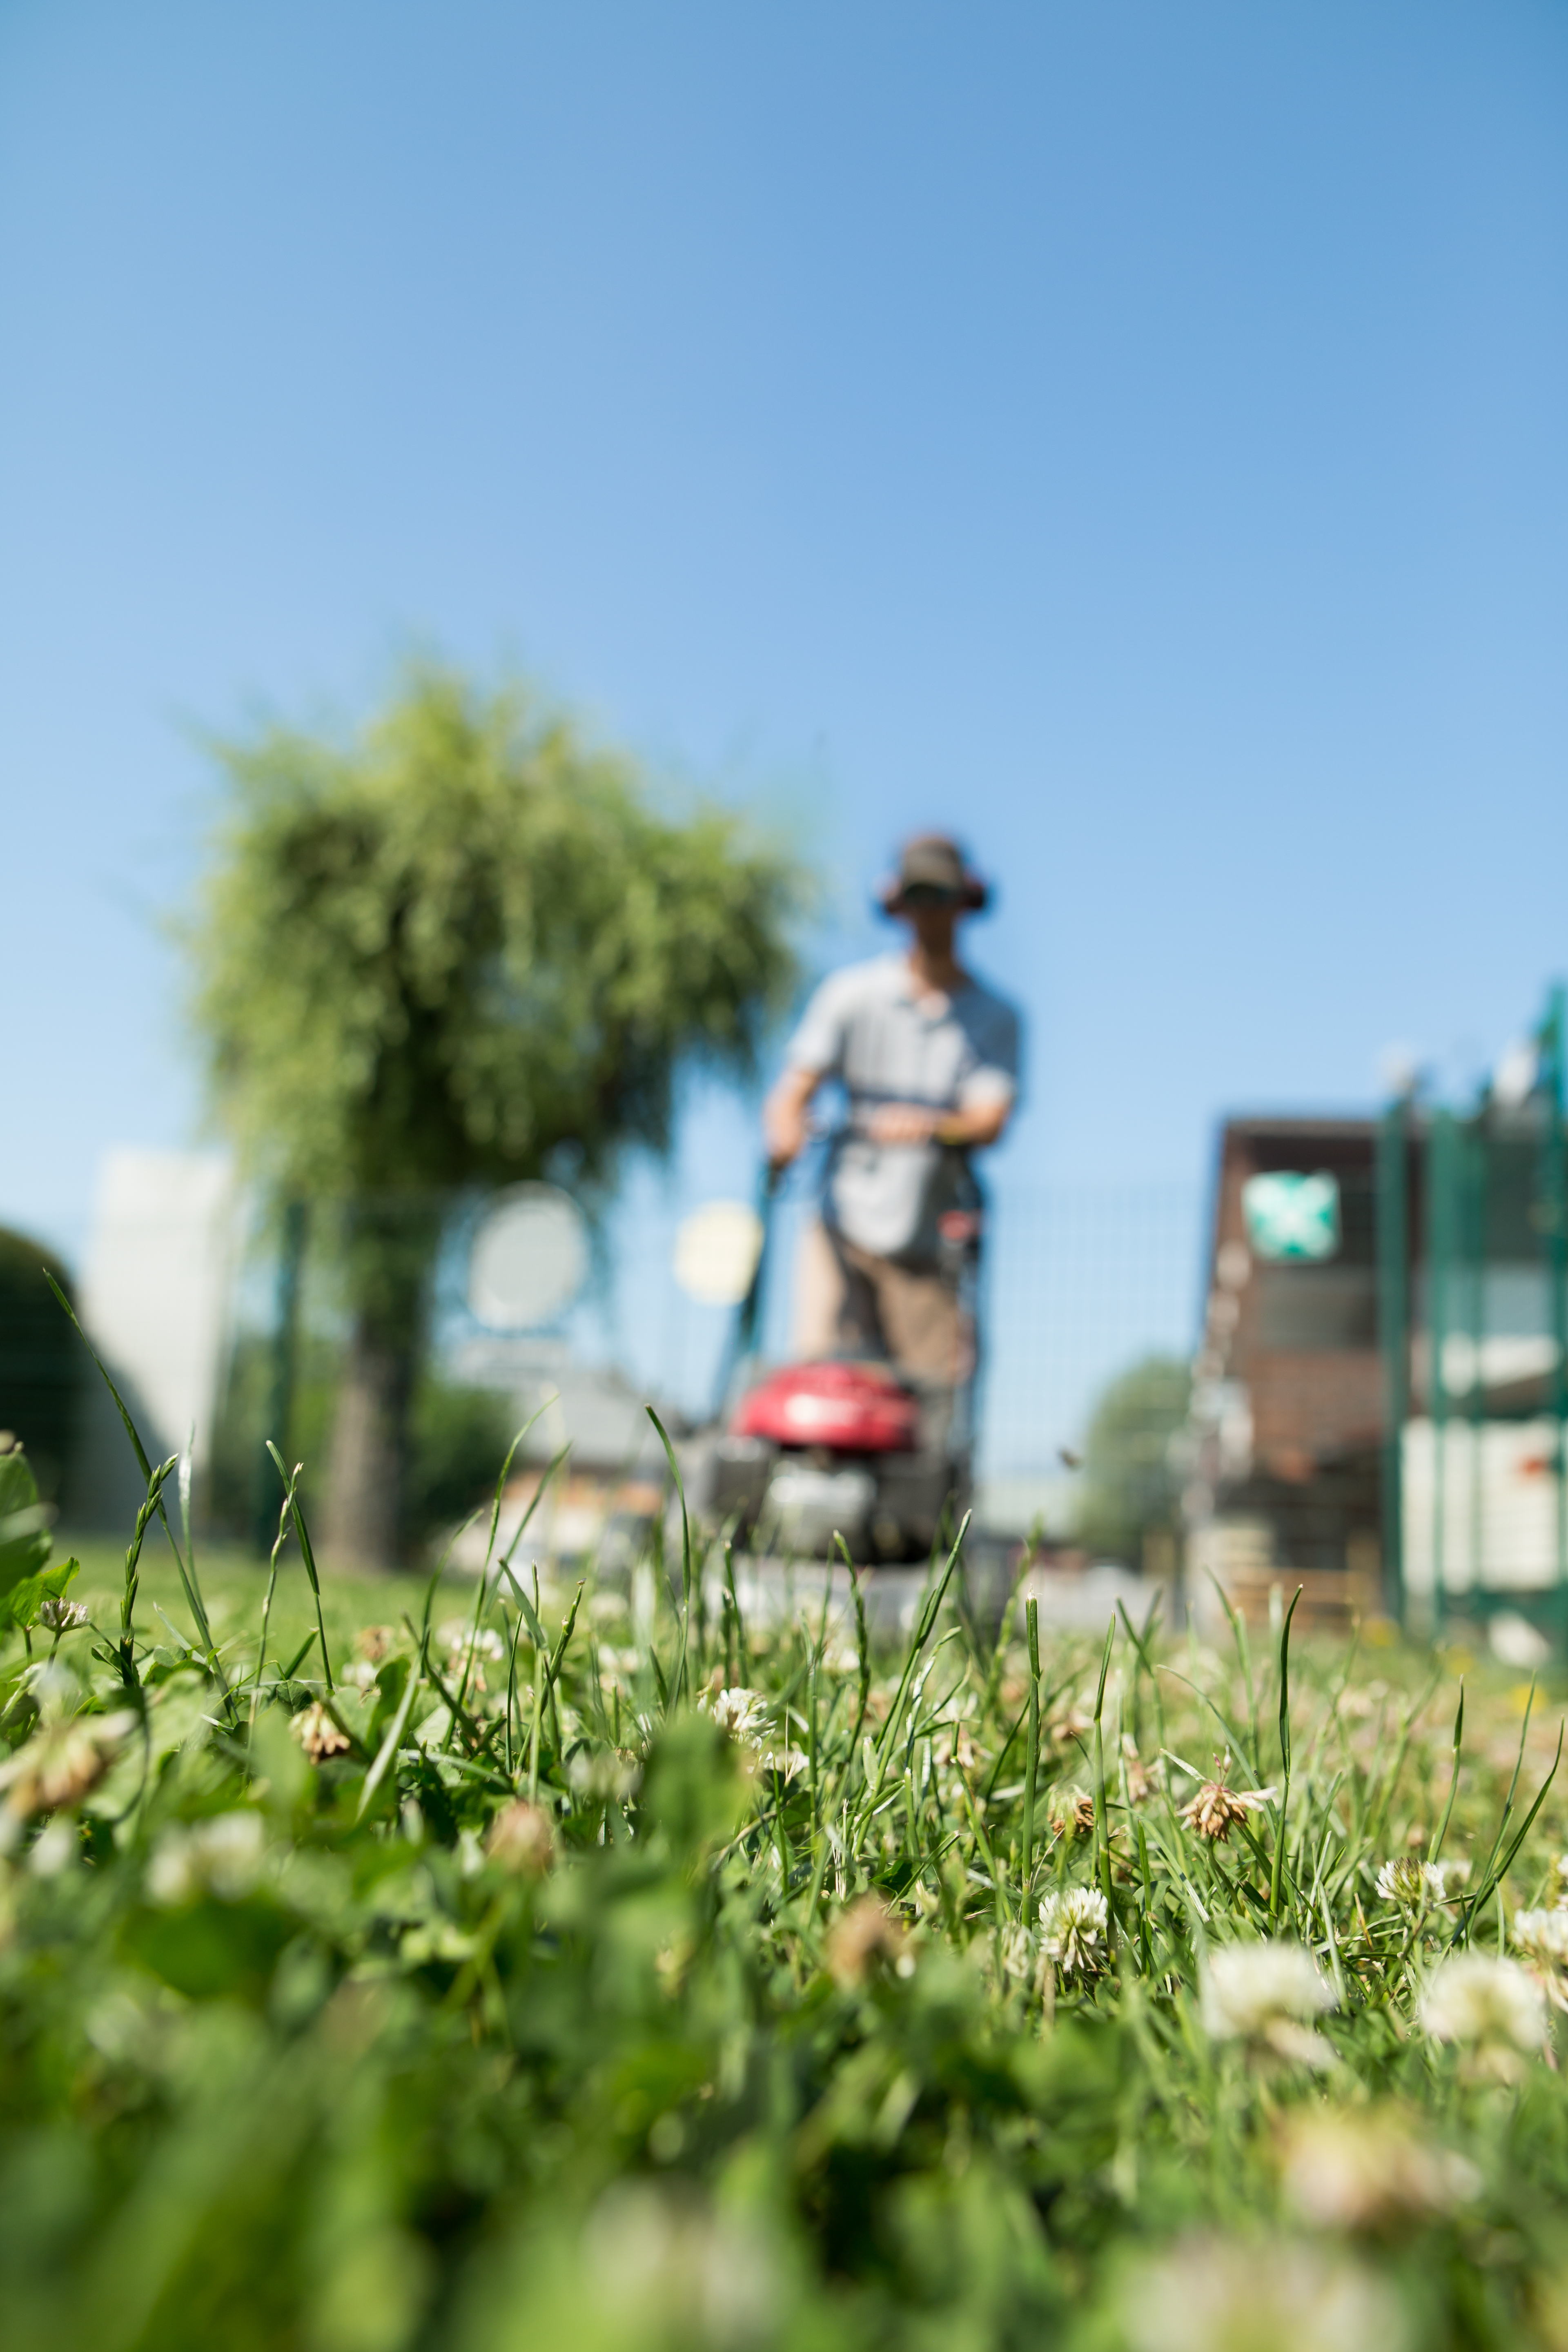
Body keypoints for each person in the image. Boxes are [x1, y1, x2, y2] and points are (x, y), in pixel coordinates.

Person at [762, 833, 1022, 1463]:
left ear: (966, 904)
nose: (928, 911)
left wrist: (933, 1126)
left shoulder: (995, 1016)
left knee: (927, 1407)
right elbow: (792, 1090)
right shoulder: (852, 996)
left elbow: (990, 1119)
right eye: (917, 897)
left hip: (930, 1239)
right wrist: (786, 1130)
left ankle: (916, 1537)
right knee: (822, 1377)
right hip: (840, 1221)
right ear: (897, 906)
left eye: (941, 897)